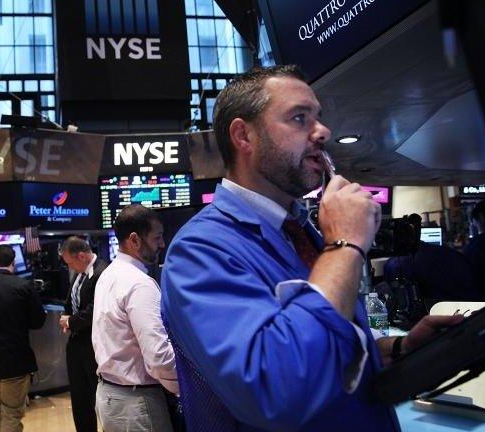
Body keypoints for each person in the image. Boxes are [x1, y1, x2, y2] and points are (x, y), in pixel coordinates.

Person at [160, 65, 462, 431]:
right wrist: (345, 246)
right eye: (299, 118)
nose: (323, 132)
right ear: (243, 136)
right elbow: (276, 390)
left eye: (318, 118)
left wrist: (398, 350)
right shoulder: (199, 251)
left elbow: (324, 351)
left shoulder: (303, 232)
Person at [92, 204, 179, 431]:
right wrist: (195, 381)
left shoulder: (108, 274)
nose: (162, 244)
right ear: (135, 240)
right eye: (157, 237)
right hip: (137, 402)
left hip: (110, 395)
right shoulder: (139, 284)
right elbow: (159, 358)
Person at [0, 245, 46, 432]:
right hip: (15, 363)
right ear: (13, 262)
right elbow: (38, 321)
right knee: (11, 413)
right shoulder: (23, 286)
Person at [59, 236, 109, 432]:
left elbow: (96, 308)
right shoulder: (80, 274)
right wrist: (66, 315)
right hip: (76, 344)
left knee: (99, 398)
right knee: (80, 399)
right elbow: (72, 300)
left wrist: (71, 321)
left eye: (71, 263)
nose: (70, 267)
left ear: (81, 256)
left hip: (94, 346)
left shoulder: (102, 272)